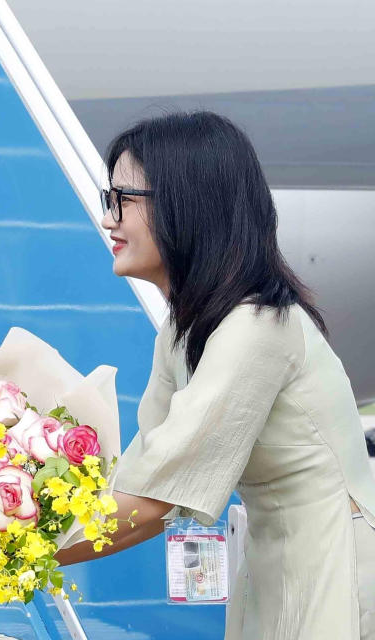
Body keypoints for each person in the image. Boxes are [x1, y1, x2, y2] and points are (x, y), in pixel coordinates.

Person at [56, 111, 375, 639]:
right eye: (106, 199)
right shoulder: (182, 328)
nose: (108, 220)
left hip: (333, 558)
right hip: (276, 560)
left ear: (188, 204)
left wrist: (2, 565)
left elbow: (154, 500)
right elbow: (141, 476)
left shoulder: (256, 325)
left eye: (122, 200)